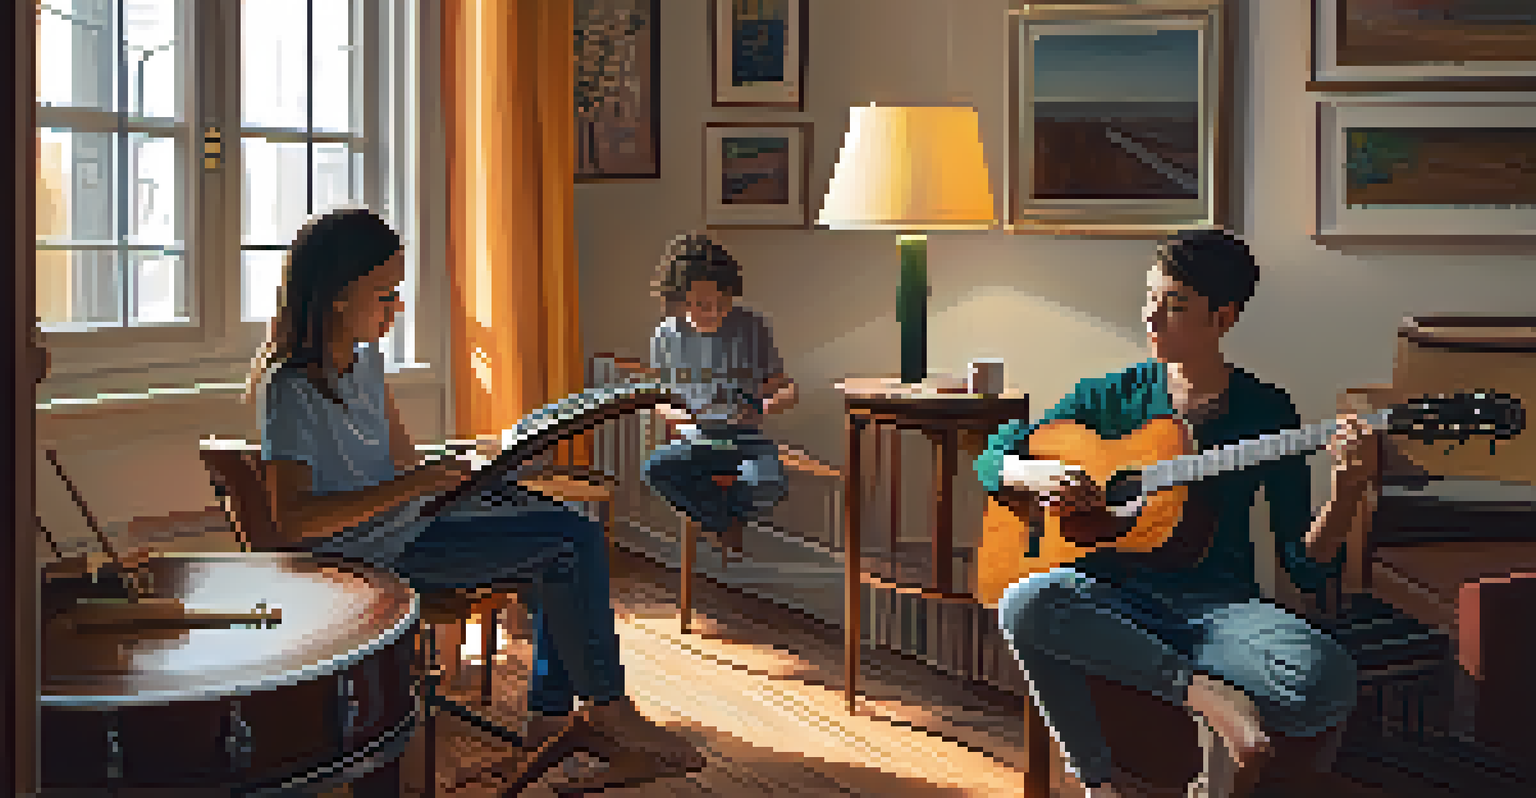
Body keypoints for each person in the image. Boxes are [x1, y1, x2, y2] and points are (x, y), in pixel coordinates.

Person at [246, 208, 703, 792]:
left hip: (408, 524)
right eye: (385, 296)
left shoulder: (365, 361)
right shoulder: (289, 387)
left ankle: (553, 717)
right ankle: (601, 711)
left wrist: (473, 463)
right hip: (365, 555)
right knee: (569, 543)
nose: (397, 308)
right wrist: (417, 485)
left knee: (568, 523)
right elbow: (295, 519)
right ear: (337, 296)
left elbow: (401, 462)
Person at [976, 229, 1378, 798]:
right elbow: (997, 455)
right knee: (1024, 601)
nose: (1152, 317)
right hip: (1106, 593)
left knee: (1327, 676)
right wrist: (1033, 473)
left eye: (1175, 306)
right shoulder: (1111, 397)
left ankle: (1188, 689)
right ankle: (1148, 745)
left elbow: (1303, 566)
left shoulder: (1267, 412)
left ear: (1224, 317)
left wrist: (1346, 493)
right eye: (1151, 299)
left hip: (1216, 609)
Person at [641, 233, 799, 561]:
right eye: (701, 305)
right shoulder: (666, 336)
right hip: (696, 439)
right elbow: (658, 400)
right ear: (681, 300)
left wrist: (766, 404)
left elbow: (786, 387)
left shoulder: (752, 326)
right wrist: (682, 417)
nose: (713, 312)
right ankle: (722, 523)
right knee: (655, 469)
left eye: (722, 303)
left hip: (744, 437)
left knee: (770, 482)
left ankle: (721, 519)